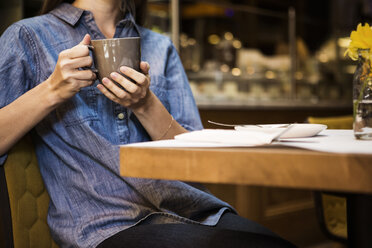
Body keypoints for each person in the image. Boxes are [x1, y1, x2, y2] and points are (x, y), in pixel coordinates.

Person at [0, 0, 296, 247]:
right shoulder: (29, 37)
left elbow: (196, 159)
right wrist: (51, 90)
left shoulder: (159, 46)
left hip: (196, 212)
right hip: (105, 227)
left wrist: (145, 104)